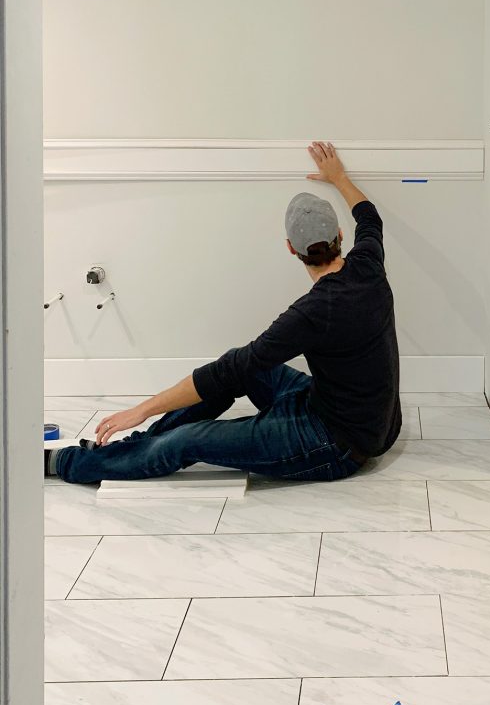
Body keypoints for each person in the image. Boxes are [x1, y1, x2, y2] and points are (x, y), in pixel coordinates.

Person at [46, 142, 402, 485]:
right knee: (242, 366)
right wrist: (338, 176)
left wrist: (142, 408)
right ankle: (135, 447)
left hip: (336, 445)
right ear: (341, 236)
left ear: (290, 248)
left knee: (187, 440)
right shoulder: (367, 263)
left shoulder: (311, 313)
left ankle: (68, 463)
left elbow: (224, 373)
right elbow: (369, 217)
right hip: (358, 419)